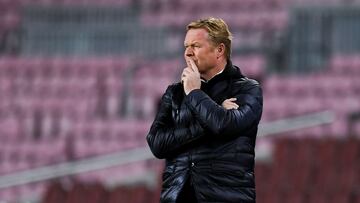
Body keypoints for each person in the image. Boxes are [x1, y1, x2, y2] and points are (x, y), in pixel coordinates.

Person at [147, 17, 263, 203]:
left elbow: (224, 125)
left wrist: (194, 92)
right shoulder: (174, 93)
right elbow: (157, 143)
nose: (188, 53)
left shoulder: (247, 89)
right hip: (177, 196)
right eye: (186, 46)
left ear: (219, 50)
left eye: (196, 46)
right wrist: (208, 119)